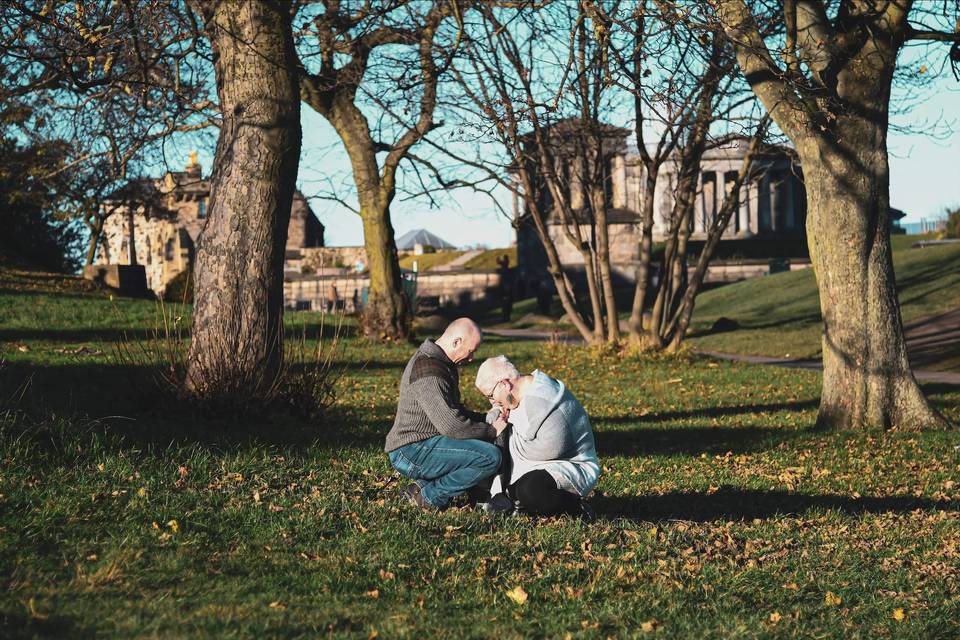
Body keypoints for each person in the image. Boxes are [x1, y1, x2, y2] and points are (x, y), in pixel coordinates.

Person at [385, 318, 509, 511]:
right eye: (470, 351)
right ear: (456, 342)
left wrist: (484, 418)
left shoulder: (442, 363)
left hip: (425, 442)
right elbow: (452, 426)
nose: (471, 358)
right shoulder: (429, 371)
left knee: (479, 445)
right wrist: (491, 430)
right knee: (490, 457)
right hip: (411, 450)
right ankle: (429, 497)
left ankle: (420, 487)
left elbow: (454, 412)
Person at [474, 355, 600, 518]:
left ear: (505, 384)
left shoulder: (544, 402)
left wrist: (505, 430)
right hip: (538, 465)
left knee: (530, 491)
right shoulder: (517, 391)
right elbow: (497, 414)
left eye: (491, 396)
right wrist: (498, 417)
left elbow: (550, 450)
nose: (493, 402)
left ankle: (577, 507)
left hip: (569, 464)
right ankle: (514, 498)